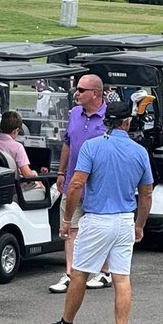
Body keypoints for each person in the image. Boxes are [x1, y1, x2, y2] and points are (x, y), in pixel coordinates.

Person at [34, 99, 153, 324]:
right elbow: (146, 194)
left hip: (98, 218)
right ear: (127, 123)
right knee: (121, 277)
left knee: (79, 274)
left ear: (106, 121)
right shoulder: (139, 151)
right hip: (125, 219)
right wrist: (140, 224)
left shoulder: (93, 146)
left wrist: (67, 219)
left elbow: (77, 184)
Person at [49, 74, 109, 293]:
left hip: (99, 184)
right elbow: (68, 143)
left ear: (95, 93)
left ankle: (104, 272)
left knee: (99, 229)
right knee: (70, 228)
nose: (76, 93)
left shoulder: (109, 117)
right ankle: (70, 274)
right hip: (73, 181)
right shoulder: (75, 113)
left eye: (81, 90)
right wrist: (61, 171)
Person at [0, 111, 42, 193]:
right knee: (44, 186)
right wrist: (34, 173)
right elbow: (27, 174)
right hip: (12, 189)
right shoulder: (18, 147)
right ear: (16, 130)